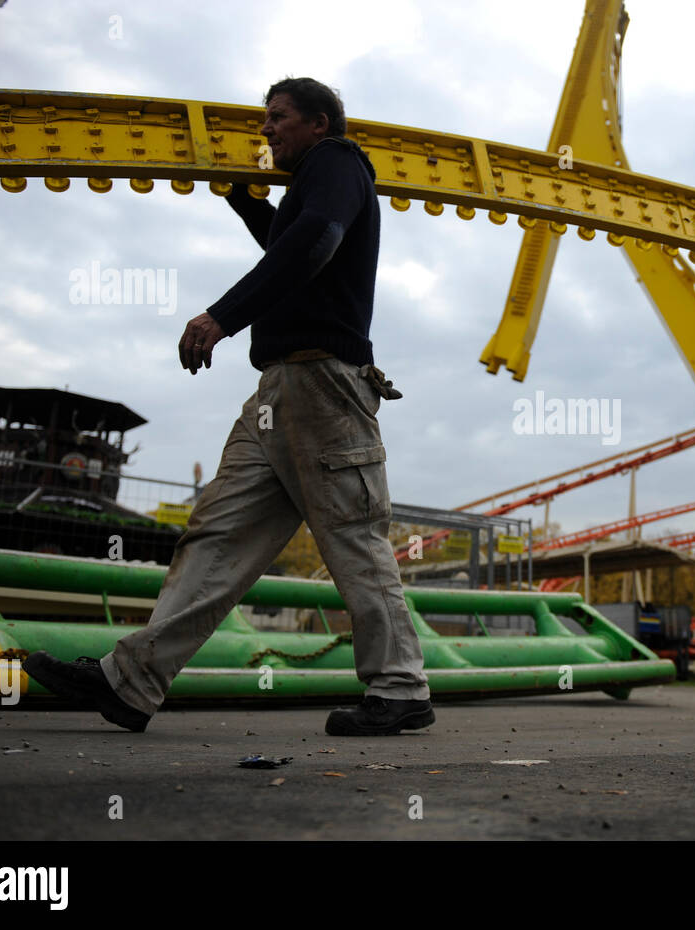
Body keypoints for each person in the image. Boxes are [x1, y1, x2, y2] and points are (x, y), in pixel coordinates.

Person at [23, 77, 433, 737]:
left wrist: (223, 315)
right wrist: (246, 202)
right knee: (217, 536)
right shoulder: (314, 183)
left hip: (324, 385)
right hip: (278, 393)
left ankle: (401, 690)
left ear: (320, 124)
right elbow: (294, 240)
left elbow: (314, 244)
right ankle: (130, 684)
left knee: (354, 538)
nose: (266, 130)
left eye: (278, 118)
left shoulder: (338, 163)